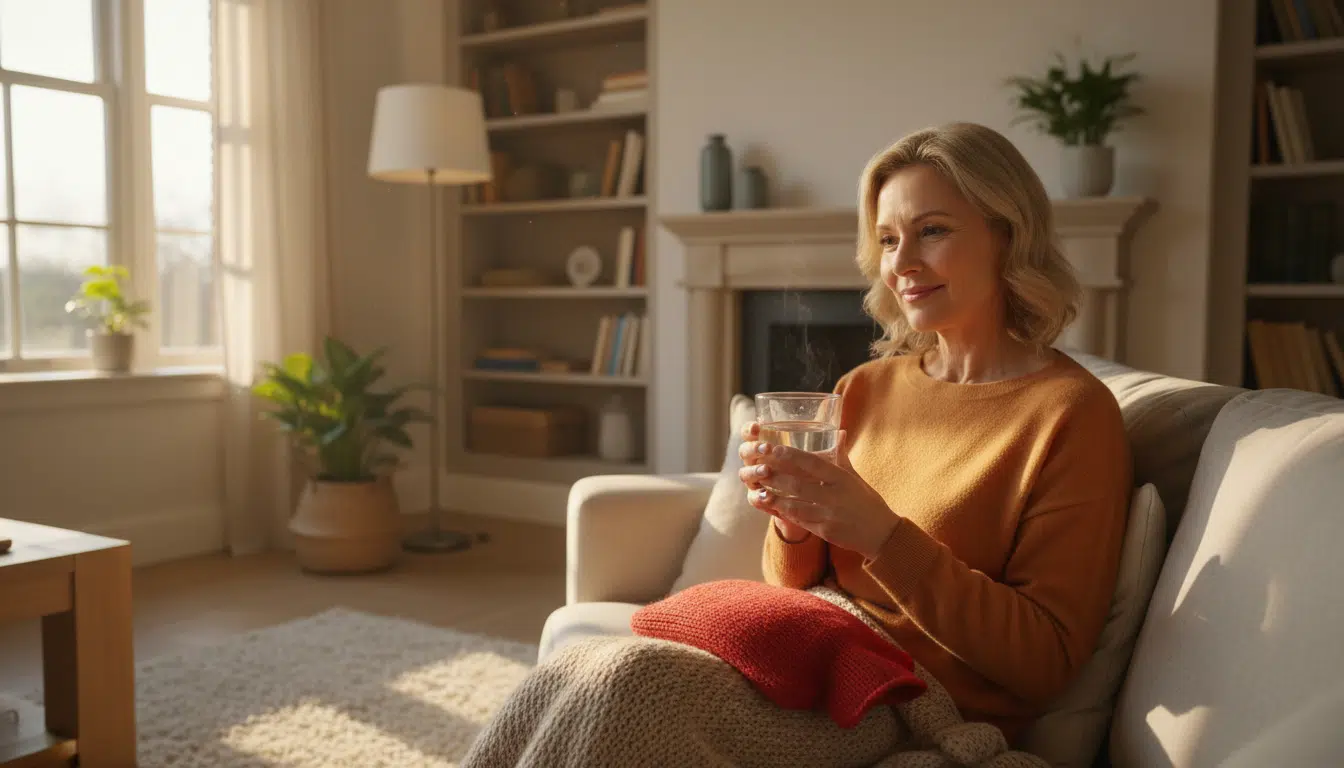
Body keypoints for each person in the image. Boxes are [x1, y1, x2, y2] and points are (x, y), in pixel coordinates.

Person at [739, 121, 1131, 742]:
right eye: (889, 239)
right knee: (600, 673)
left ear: (1009, 237)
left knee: (633, 689)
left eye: (934, 231)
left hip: (915, 711)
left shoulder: (1072, 415)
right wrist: (792, 519)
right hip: (816, 665)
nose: (903, 264)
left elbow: (1045, 660)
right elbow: (792, 582)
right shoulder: (863, 388)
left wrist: (880, 534)